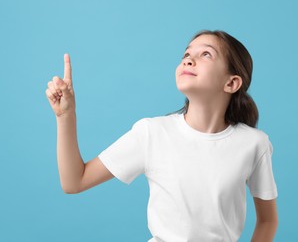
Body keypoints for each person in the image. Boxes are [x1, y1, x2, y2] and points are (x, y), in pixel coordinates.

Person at [45, 30, 278, 242]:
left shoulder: (254, 144)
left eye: (206, 54)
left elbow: (267, 221)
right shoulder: (152, 133)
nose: (188, 59)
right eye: (187, 53)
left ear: (231, 83)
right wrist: (66, 115)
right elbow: (74, 181)